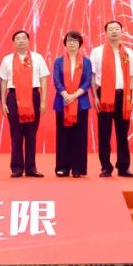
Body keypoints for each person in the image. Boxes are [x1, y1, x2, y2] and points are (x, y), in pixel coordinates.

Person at [89, 20, 133, 178]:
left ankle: (123, 167)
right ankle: (106, 167)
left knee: (123, 134)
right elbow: (93, 76)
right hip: (103, 95)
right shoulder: (97, 52)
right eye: (110, 29)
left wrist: (131, 96)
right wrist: (95, 96)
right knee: (104, 134)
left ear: (121, 31)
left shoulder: (129, 52)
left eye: (117, 28)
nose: (114, 31)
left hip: (123, 96)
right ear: (105, 32)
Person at [0, 30, 50, 177]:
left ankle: (31, 168)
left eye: (23, 38)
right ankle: (16, 168)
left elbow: (43, 80)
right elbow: (3, 81)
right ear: (13, 42)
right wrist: (3, 101)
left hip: (33, 96)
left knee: (31, 134)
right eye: (17, 38)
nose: (21, 41)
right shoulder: (7, 59)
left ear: (28, 41)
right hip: (13, 97)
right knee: (16, 134)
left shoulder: (37, 58)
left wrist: (43, 101)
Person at [52, 31, 92, 178]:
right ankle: (63, 167)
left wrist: (74, 96)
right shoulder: (58, 61)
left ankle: (78, 168)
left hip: (81, 103)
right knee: (63, 135)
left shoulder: (86, 62)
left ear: (80, 43)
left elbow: (87, 81)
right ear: (65, 43)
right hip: (62, 102)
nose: (72, 43)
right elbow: (56, 81)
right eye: (69, 41)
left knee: (79, 136)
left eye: (75, 41)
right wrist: (66, 95)